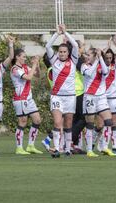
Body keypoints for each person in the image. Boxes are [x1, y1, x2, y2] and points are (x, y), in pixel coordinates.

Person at [45, 24, 78, 158]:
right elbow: (48, 46)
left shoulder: (73, 61)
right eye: (60, 52)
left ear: (68, 53)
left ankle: (68, 148)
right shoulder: (54, 61)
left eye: (64, 52)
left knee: (68, 123)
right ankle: (57, 148)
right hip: (57, 96)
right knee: (58, 123)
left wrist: (66, 33)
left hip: (70, 97)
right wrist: (57, 34)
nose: (62, 53)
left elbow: (75, 45)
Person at [81, 48, 116, 157]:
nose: (87, 56)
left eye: (89, 55)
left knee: (109, 122)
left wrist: (100, 57)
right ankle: (89, 150)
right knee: (90, 124)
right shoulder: (84, 66)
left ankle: (104, 147)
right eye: (87, 54)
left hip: (101, 97)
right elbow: (90, 74)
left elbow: (106, 72)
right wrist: (97, 61)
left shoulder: (101, 64)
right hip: (89, 97)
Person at [11, 49, 43, 155]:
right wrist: (33, 64)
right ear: (17, 57)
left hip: (28, 98)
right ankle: (19, 148)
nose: (25, 58)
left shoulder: (25, 67)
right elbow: (29, 77)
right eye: (23, 57)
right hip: (20, 98)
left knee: (37, 120)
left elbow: (37, 75)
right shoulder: (15, 69)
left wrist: (37, 64)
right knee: (23, 122)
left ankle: (30, 146)